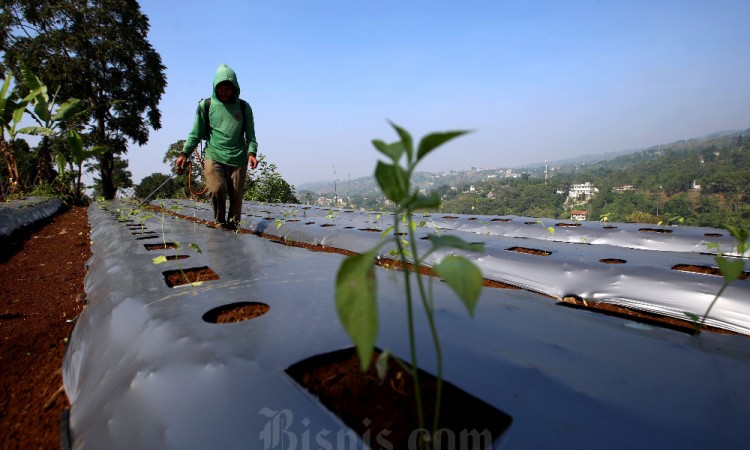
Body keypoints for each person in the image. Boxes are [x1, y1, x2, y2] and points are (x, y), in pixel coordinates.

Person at [175, 63, 258, 230]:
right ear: (215, 87)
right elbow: (196, 133)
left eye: (229, 88)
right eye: (221, 88)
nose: (225, 92)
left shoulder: (243, 107)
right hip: (214, 155)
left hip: (238, 156)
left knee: (236, 196)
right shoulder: (206, 106)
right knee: (216, 188)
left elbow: (250, 134)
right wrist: (184, 153)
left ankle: (233, 226)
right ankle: (220, 222)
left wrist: (252, 152)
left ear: (235, 88)